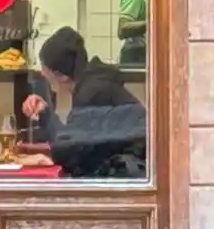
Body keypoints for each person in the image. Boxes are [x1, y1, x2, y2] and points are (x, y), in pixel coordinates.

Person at [22, 26, 147, 179]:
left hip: (132, 175)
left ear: (61, 75)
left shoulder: (92, 93)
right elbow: (73, 143)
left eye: (45, 67)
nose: (42, 72)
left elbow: (70, 152)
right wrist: (45, 113)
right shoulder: (94, 83)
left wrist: (49, 156)